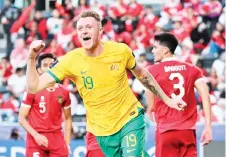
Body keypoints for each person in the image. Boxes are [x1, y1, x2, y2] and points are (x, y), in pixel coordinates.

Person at [26, 11, 186, 157]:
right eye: (80, 28)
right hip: (100, 131)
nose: (84, 31)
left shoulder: (120, 51)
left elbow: (144, 75)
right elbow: (33, 87)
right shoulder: (70, 60)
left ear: (101, 31)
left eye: (89, 27)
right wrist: (31, 58)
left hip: (129, 118)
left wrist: (167, 99)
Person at [145, 33, 212, 157]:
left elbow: (148, 92)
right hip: (187, 131)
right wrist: (208, 126)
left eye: (155, 47)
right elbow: (205, 96)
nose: (153, 51)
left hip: (166, 130)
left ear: (165, 50)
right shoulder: (193, 70)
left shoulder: (152, 71)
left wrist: (151, 108)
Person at [19, 53, 72, 157]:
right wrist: (35, 135)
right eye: (45, 65)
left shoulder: (64, 92)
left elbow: (68, 118)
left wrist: (67, 142)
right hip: (36, 139)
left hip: (56, 138)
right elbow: (21, 118)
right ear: (39, 70)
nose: (49, 67)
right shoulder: (32, 90)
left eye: (52, 65)